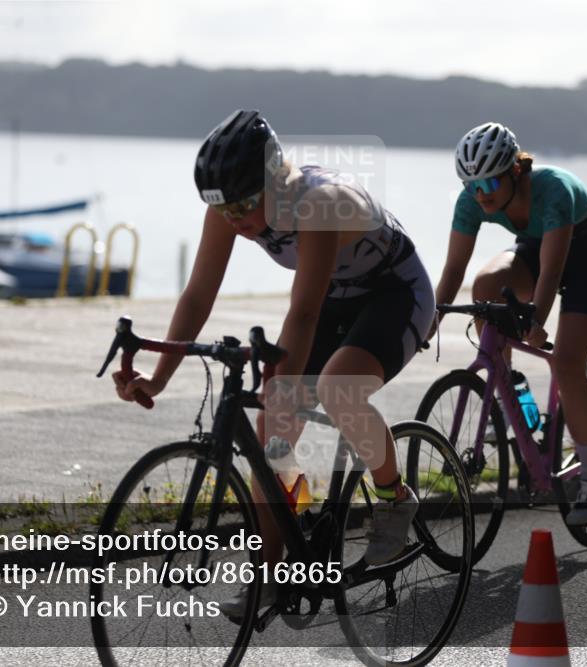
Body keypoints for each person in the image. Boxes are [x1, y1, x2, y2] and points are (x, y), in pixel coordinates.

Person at [113, 109, 435, 616]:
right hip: (335, 297)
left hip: (395, 293)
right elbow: (198, 296)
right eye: (222, 209)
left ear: (273, 179)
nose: (235, 221)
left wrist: (282, 384)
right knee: (271, 440)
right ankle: (272, 571)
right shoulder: (226, 210)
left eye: (243, 205)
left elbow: (303, 313)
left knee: (336, 389)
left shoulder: (318, 203)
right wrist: (158, 376)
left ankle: (395, 495)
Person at [431, 122, 587, 526]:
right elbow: (454, 269)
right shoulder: (472, 200)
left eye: (490, 183)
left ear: (515, 170)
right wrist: (430, 316)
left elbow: (551, 273)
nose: (481, 194)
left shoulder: (553, 190)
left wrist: (537, 318)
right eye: (472, 185)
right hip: (536, 249)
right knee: (485, 286)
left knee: (567, 363)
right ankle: (509, 387)